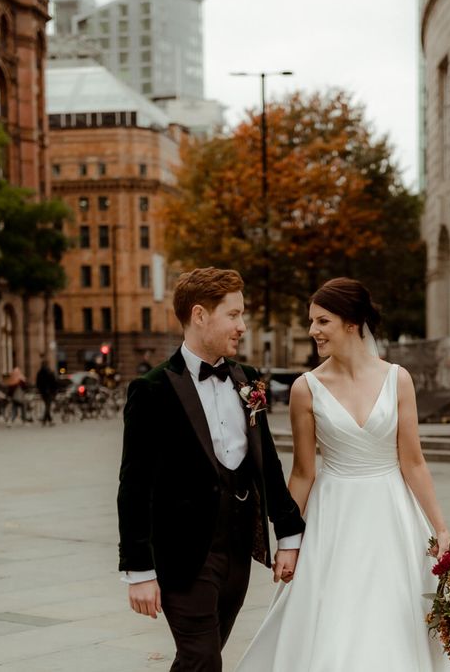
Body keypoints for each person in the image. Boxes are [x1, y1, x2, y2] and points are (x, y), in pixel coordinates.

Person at [236, 278, 450, 671]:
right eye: (312, 322)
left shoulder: (398, 379)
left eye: (322, 321)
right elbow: (303, 473)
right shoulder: (306, 388)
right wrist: (287, 540)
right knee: (336, 618)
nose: (313, 330)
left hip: (393, 514)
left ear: (352, 323)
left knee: (394, 617)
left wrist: (440, 527)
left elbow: (413, 462)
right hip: (334, 517)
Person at [117, 267, 305, 672]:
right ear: (200, 315)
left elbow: (266, 464)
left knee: (201, 657)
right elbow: (134, 486)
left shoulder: (247, 380)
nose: (242, 325)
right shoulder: (152, 390)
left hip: (237, 551)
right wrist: (138, 570)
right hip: (183, 556)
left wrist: (288, 534)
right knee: (203, 657)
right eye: (233, 315)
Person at [35, 358, 57, 426]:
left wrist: (40, 390)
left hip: (43, 392)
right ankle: (45, 421)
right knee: (48, 406)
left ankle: (48, 421)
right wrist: (54, 391)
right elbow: (54, 382)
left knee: (47, 406)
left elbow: (37, 383)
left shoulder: (40, 372)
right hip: (49, 392)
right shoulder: (49, 372)